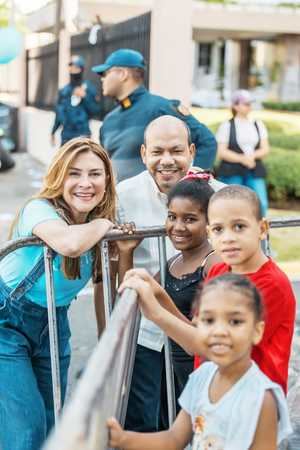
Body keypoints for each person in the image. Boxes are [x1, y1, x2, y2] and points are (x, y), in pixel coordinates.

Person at [0, 137, 131, 450]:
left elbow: (114, 287)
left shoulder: (95, 231)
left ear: (107, 179)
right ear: (59, 176)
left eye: (95, 174)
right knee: (26, 429)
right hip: (6, 324)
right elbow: (68, 243)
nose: (85, 183)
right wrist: (103, 222)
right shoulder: (39, 210)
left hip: (54, 327)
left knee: (52, 422)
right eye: (74, 173)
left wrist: (123, 252)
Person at [94, 115, 223, 433]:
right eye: (158, 152)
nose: (167, 161)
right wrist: (108, 338)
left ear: (192, 151)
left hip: (200, 335)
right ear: (143, 154)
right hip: (145, 332)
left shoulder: (221, 197)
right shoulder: (124, 195)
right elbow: (106, 275)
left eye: (177, 151)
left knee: (197, 420)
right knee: (141, 420)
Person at [108, 272, 292, 450]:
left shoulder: (261, 399)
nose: (220, 331)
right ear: (196, 324)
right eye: (209, 320)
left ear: (257, 331)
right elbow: (173, 439)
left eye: (235, 321)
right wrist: (122, 438)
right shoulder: (202, 377)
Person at [197, 185, 296, 393]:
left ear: (262, 229)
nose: (228, 238)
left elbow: (224, 346)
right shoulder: (217, 271)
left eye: (239, 227)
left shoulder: (272, 284)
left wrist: (159, 309)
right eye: (218, 229)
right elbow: (200, 328)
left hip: (254, 403)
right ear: (209, 234)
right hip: (213, 394)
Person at [91, 48, 217, 182]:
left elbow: (207, 141)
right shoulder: (109, 120)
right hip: (118, 199)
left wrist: (193, 180)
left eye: (105, 73)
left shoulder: (160, 108)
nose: (102, 79)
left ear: (122, 74)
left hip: (155, 200)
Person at [216, 89, 269, 216]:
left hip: (254, 170)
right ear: (235, 105)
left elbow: (265, 148)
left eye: (250, 103)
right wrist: (242, 159)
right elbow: (222, 152)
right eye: (246, 103)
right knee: (231, 205)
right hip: (232, 171)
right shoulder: (226, 126)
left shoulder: (258, 124)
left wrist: (252, 157)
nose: (249, 106)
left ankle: (260, 233)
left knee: (261, 203)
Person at [51, 55, 101, 145]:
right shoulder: (64, 91)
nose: (72, 69)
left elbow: (96, 110)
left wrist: (85, 97)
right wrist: (53, 131)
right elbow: (58, 114)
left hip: (82, 135)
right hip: (66, 136)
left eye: (76, 67)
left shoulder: (88, 88)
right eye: (70, 66)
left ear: (81, 69)